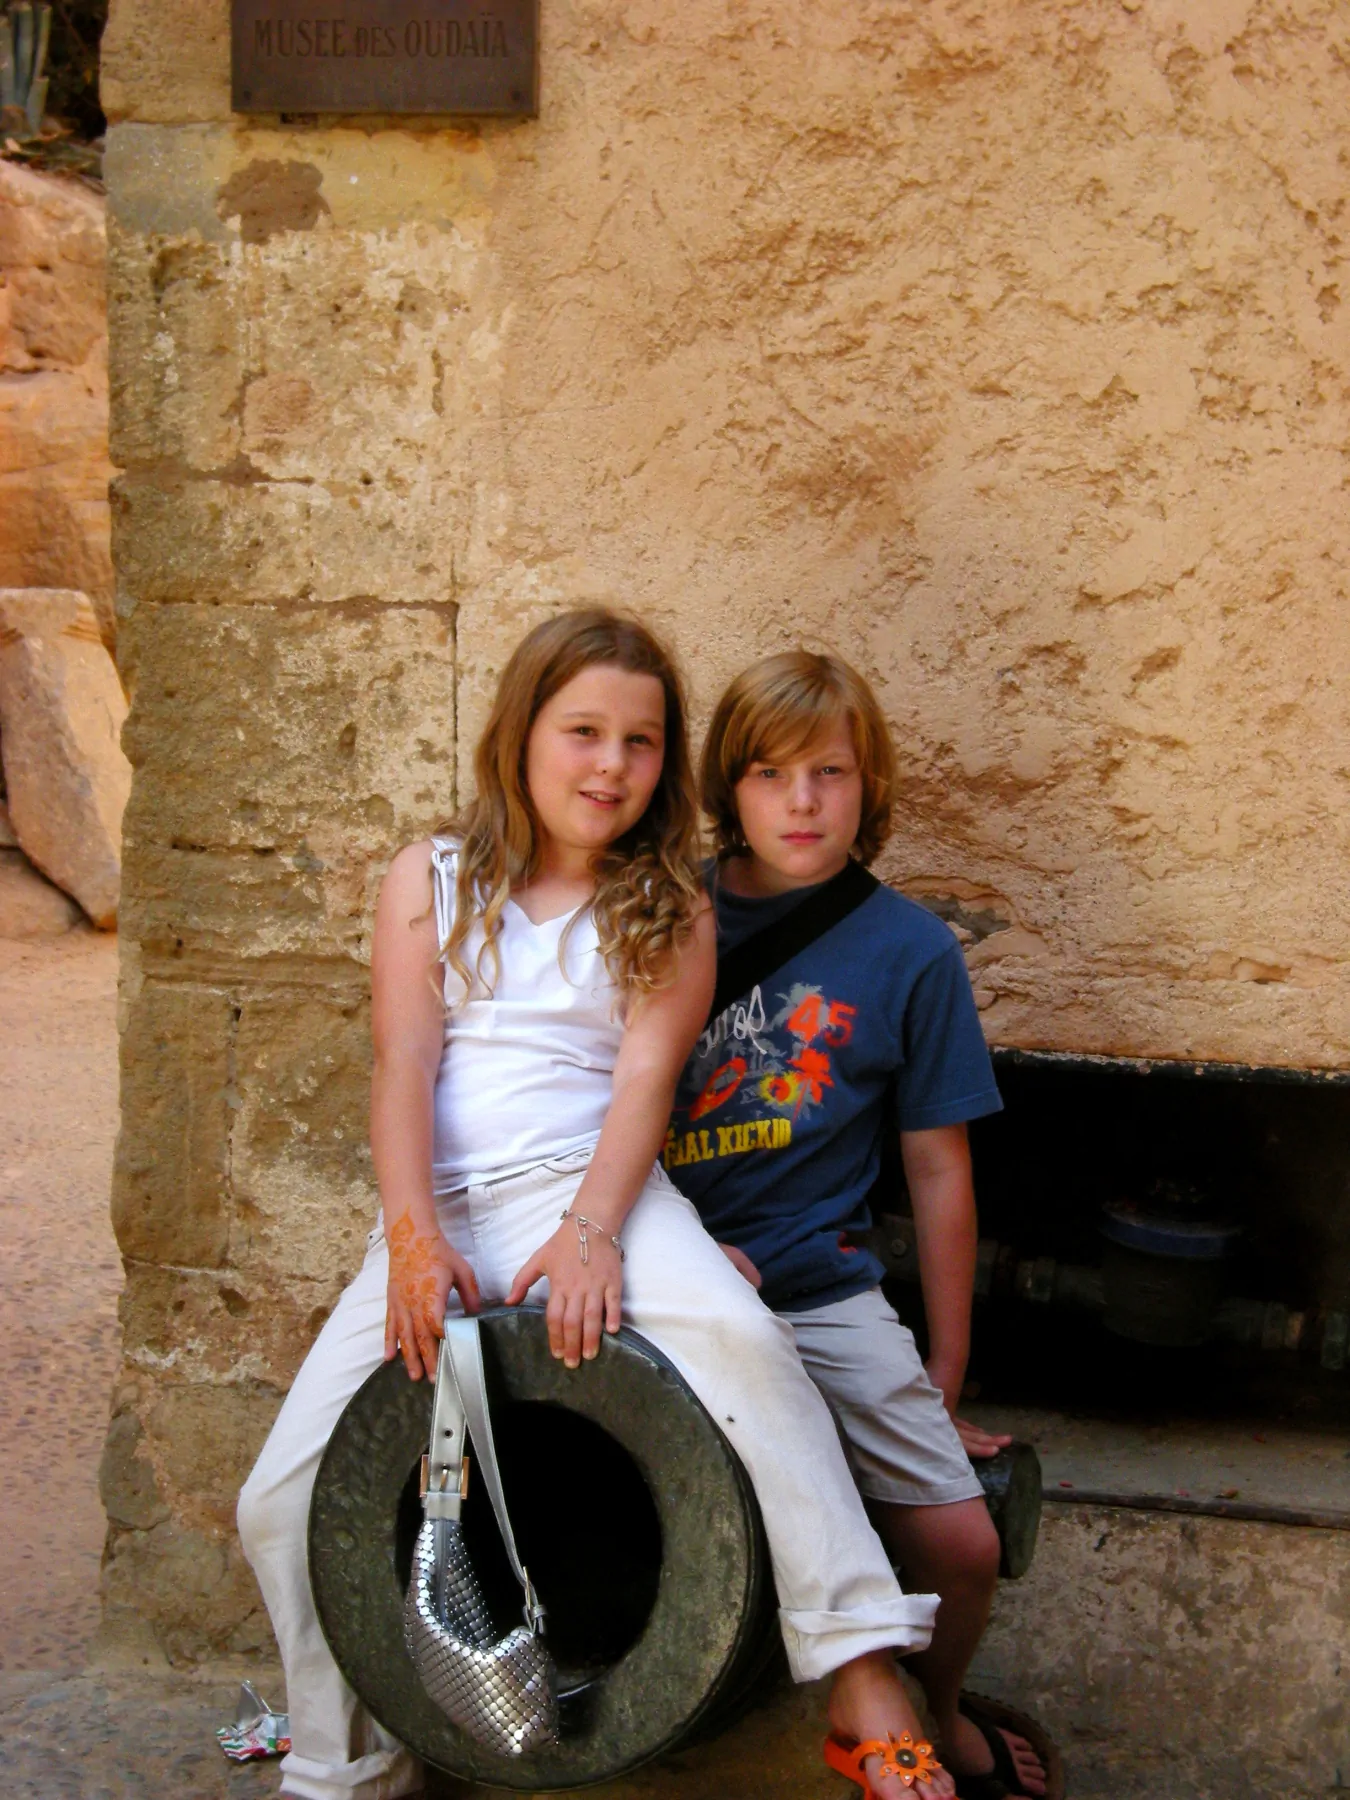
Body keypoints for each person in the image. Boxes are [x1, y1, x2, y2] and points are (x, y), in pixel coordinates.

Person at [237, 610, 956, 1800]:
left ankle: (859, 1661)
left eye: (641, 742)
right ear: (523, 736)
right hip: (439, 1209)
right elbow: (403, 1066)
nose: (611, 766)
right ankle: (344, 1764)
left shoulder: (666, 900)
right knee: (278, 1496)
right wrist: (412, 1241)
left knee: (740, 1343)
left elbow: (642, 1082)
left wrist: (591, 1235)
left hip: (591, 1189)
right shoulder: (432, 878)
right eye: (583, 732)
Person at [666, 650, 1048, 1799]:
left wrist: (944, 1365)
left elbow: (937, 1170)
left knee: (963, 1547)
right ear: (728, 785)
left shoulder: (913, 953)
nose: (801, 802)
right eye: (770, 774)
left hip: (819, 1287)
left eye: (829, 773)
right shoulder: (661, 914)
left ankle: (932, 1710)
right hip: (674, 1276)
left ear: (868, 786)